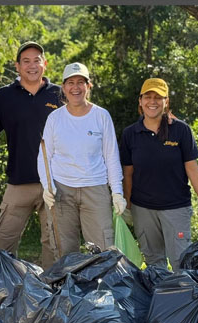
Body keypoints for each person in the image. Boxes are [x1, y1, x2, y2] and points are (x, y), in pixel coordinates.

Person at [119, 78, 198, 270]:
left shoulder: (180, 130)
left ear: (166, 101)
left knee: (180, 261)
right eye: (148, 97)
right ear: (140, 101)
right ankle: (160, 290)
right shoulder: (130, 134)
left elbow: (191, 167)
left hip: (176, 208)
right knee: (153, 262)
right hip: (143, 209)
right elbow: (128, 173)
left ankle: (183, 291)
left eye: (158, 97)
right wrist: (127, 205)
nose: (152, 102)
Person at [0, 42, 61, 268]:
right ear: (17, 66)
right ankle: (5, 285)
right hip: (19, 182)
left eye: (36, 60)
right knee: (4, 243)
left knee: (54, 244)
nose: (32, 66)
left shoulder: (60, 94)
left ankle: (52, 287)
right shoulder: (4, 96)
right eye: (26, 61)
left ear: (45, 64)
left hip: (54, 182)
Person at [37, 62, 127, 257]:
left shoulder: (101, 116)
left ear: (88, 86)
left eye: (80, 82)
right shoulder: (55, 118)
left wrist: (117, 192)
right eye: (70, 83)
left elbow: (111, 156)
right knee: (64, 250)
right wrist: (47, 186)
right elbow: (44, 156)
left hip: (95, 189)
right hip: (62, 190)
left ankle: (102, 279)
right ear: (63, 87)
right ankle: (68, 278)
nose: (75, 87)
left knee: (103, 250)